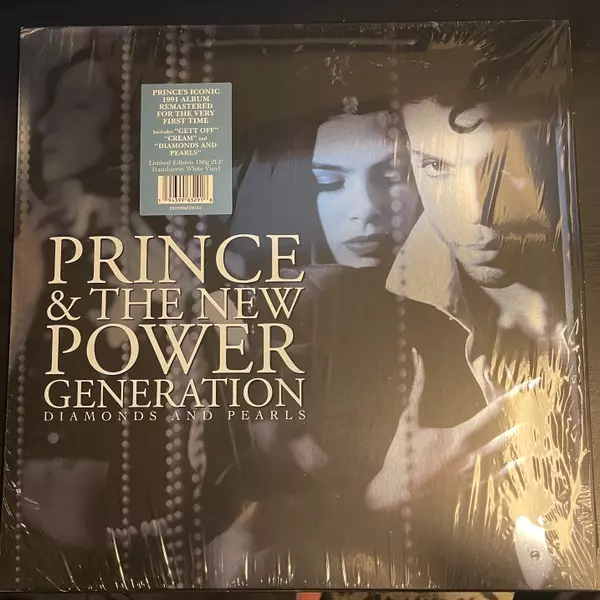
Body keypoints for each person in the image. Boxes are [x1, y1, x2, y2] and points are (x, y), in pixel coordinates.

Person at [205, 91, 529, 588]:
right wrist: (382, 499)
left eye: (390, 177)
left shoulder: (459, 307)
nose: (364, 210)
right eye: (330, 182)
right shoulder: (252, 315)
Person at [385, 34, 591, 588]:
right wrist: (384, 498)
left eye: (504, 162)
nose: (475, 212)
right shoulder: (367, 314)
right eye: (436, 166)